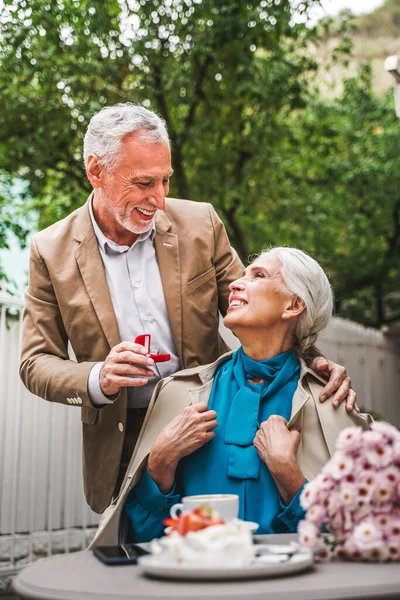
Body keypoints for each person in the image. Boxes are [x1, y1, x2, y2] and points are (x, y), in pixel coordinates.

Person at [20, 103, 356, 515]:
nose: (159, 200)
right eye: (144, 183)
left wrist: (314, 361)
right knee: (130, 560)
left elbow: (257, 307)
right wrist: (98, 377)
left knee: (216, 542)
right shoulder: (49, 251)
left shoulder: (201, 224)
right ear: (96, 171)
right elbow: (35, 364)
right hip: (121, 440)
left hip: (209, 426)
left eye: (165, 180)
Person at [90, 248, 370, 546]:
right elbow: (139, 542)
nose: (235, 284)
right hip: (195, 587)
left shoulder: (335, 408)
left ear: (293, 305)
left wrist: (290, 478)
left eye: (258, 276)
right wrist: (159, 463)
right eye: (241, 276)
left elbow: (359, 542)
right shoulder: (175, 394)